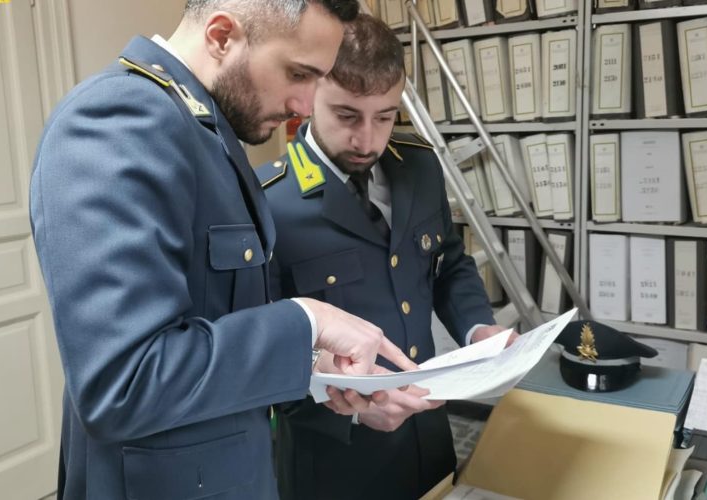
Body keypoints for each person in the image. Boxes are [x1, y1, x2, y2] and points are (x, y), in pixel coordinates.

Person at [29, 2, 417, 499]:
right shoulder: (118, 121)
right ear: (220, 36)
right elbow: (123, 383)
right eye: (298, 74)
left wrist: (309, 362)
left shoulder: (204, 127)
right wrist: (306, 322)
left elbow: (214, 320)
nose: (304, 106)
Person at [258, 14, 514, 500]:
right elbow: (260, 351)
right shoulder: (267, 202)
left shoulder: (419, 165)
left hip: (428, 435)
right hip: (335, 461)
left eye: (385, 116)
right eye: (347, 116)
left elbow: (449, 262)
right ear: (310, 93)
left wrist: (478, 328)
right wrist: (354, 409)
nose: (368, 140)